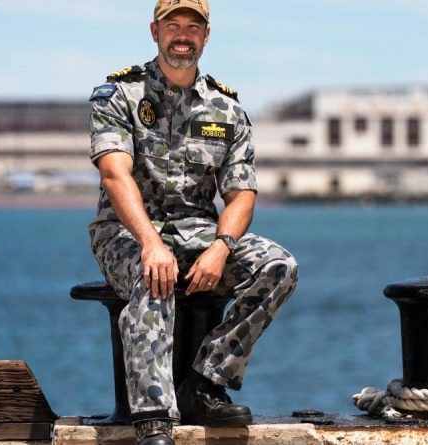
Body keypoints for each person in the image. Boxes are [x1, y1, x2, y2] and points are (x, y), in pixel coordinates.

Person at [86, 1, 299, 444]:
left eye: (192, 27)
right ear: (154, 31)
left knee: (278, 266)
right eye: (172, 26)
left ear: (205, 36)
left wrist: (221, 247)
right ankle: (154, 419)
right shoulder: (119, 95)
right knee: (155, 274)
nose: (182, 35)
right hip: (126, 232)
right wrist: (149, 241)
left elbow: (241, 193)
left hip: (199, 232)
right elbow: (114, 172)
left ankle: (205, 383)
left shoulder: (228, 109)